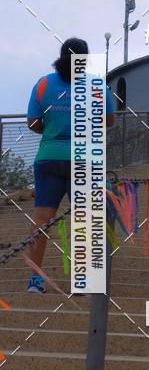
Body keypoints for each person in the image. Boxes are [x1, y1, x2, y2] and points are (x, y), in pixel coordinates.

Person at [26, 38, 115, 293]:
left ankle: (35, 280)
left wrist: (52, 128)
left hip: (49, 157)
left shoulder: (43, 84)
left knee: (42, 219)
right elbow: (108, 120)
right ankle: (84, 281)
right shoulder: (97, 84)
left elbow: (32, 122)